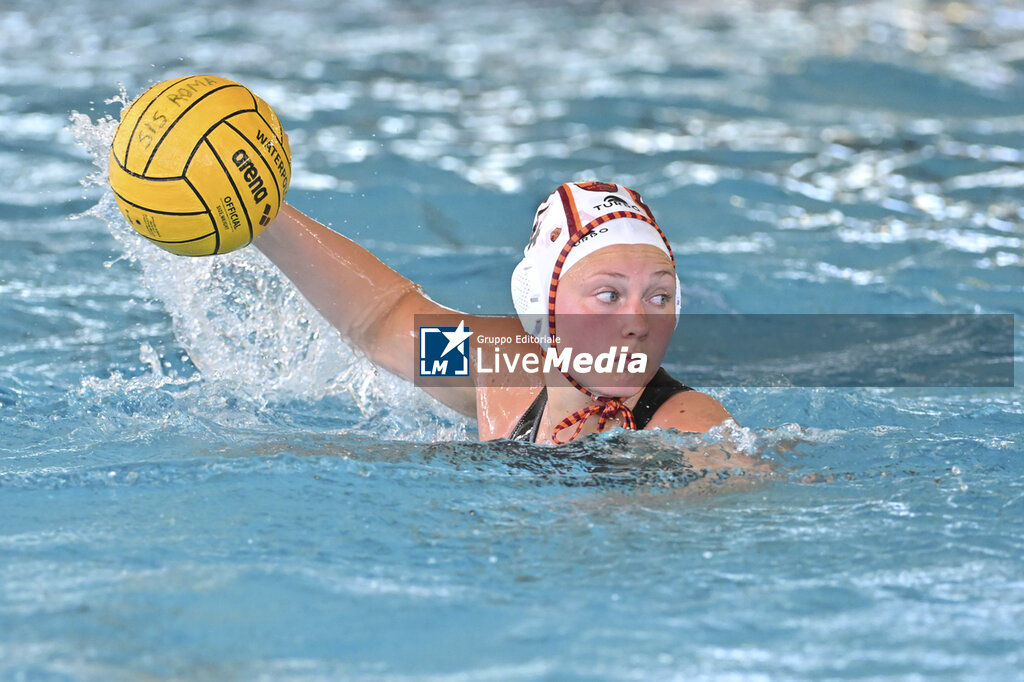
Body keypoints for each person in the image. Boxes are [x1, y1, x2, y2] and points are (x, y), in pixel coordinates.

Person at [255, 181, 733, 444]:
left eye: (659, 297)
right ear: (541, 309)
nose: (638, 324)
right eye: (608, 295)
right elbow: (381, 321)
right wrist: (262, 216)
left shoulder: (691, 427)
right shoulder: (503, 371)